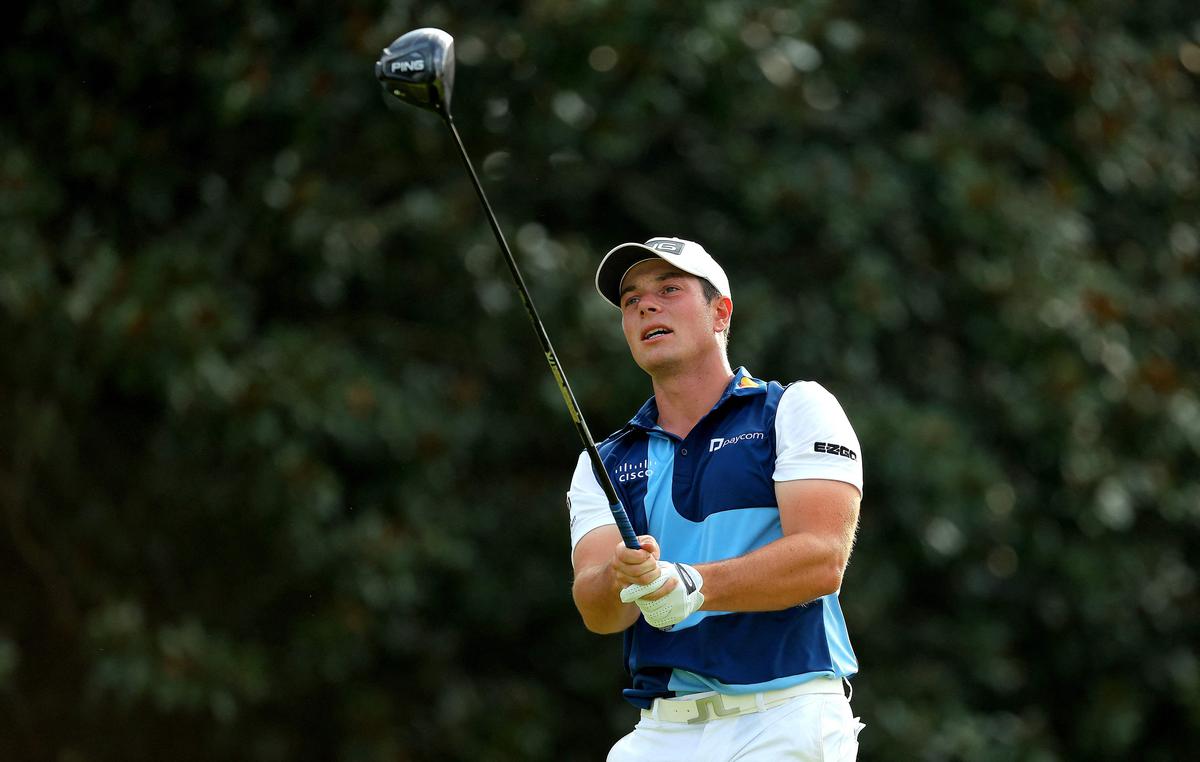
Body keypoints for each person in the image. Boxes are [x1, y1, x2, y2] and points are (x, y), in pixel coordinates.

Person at [567, 237, 866, 761]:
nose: (646, 306)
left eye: (669, 289)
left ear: (720, 312)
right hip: (663, 729)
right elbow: (598, 612)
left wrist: (692, 583)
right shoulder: (605, 461)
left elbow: (822, 559)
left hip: (786, 713)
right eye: (631, 301)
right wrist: (622, 578)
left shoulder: (793, 410)